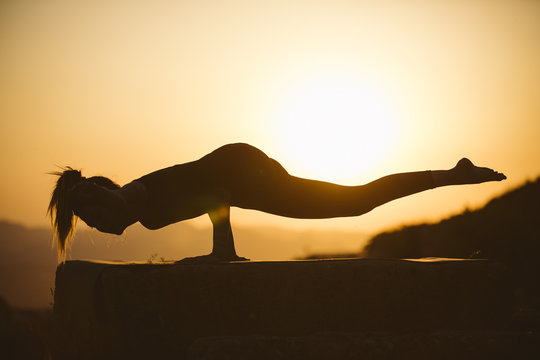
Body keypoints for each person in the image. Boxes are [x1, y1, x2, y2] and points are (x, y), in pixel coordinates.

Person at [48, 143, 506, 262]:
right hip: (242, 170)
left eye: (93, 214)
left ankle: (450, 174)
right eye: (91, 224)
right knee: (357, 203)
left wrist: (222, 251)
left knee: (357, 202)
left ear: (102, 194)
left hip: (242, 172)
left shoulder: (136, 196)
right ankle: (450, 174)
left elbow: (216, 194)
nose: (100, 227)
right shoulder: (133, 204)